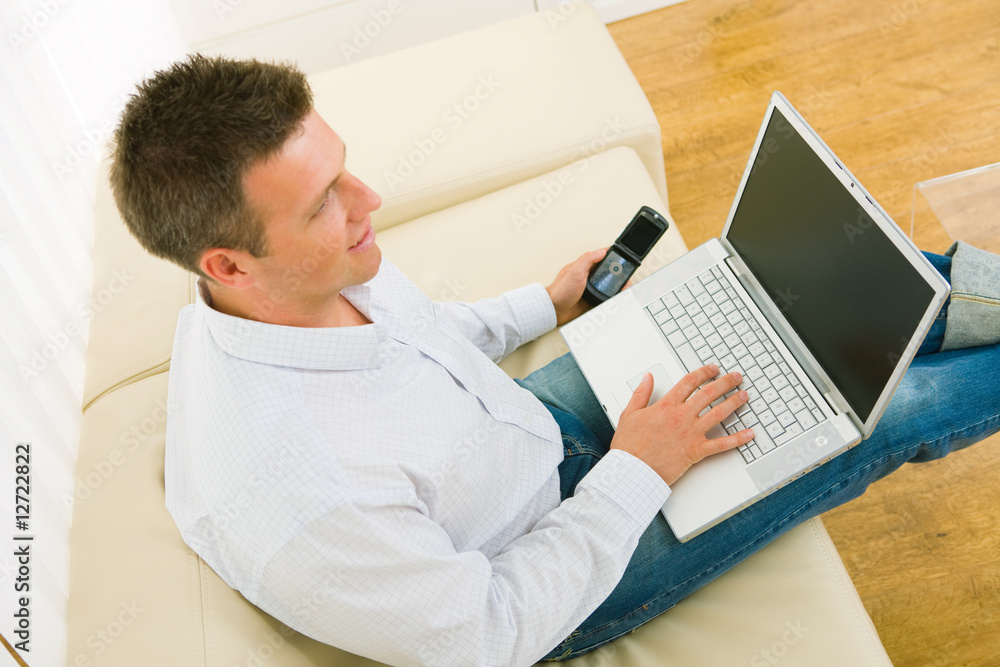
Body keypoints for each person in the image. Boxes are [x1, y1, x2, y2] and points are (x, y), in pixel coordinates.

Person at [109, 54, 1000, 666]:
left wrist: (552, 302)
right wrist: (638, 468)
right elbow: (493, 633)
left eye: (345, 169)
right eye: (323, 202)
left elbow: (422, 333)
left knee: (783, 285)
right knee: (887, 411)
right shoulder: (304, 499)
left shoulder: (281, 285)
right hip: (552, 571)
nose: (368, 199)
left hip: (517, 436)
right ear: (228, 263)